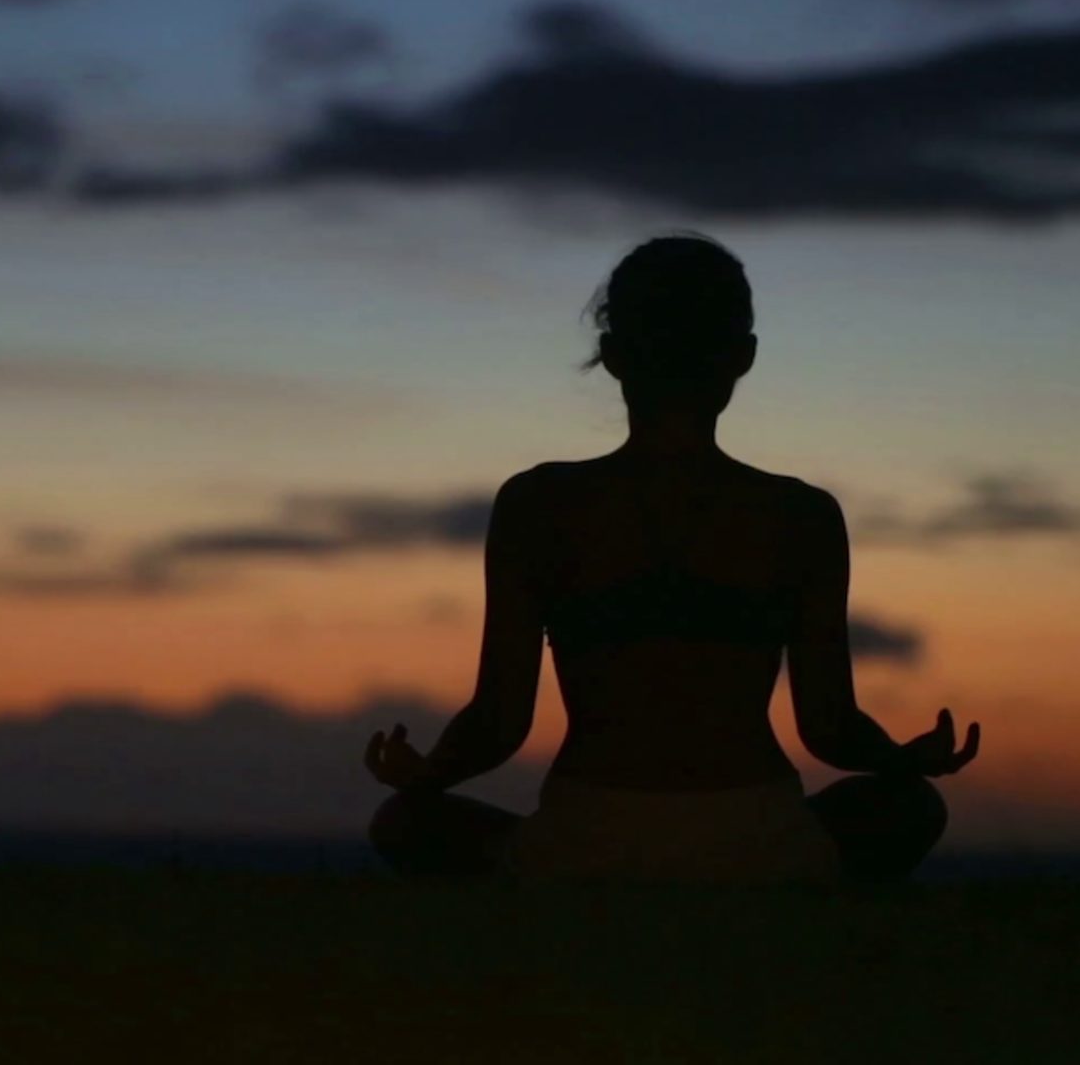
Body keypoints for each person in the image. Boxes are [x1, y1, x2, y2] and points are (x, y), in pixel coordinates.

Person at [363, 234, 979, 884]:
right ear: (740, 358)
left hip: (582, 842)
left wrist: (428, 774)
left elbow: (498, 721)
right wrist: (900, 761)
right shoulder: (800, 515)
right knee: (909, 807)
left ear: (613, 356)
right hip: (760, 841)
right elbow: (829, 727)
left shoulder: (537, 503)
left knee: (404, 822)